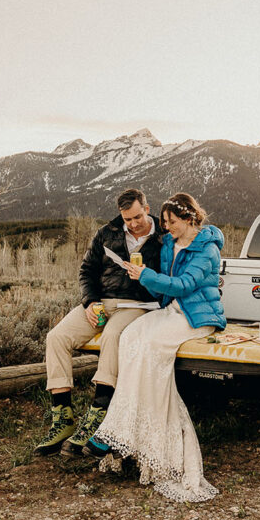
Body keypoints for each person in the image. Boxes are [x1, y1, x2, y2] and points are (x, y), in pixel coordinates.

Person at [84, 192, 226, 503]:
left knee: (149, 346)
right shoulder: (168, 245)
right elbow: (162, 284)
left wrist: (147, 276)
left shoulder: (208, 248)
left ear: (188, 218)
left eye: (171, 222)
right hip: (172, 310)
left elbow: (185, 285)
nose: (167, 228)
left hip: (198, 315)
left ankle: (116, 436)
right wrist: (138, 276)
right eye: (164, 223)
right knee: (131, 336)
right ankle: (123, 432)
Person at [35, 188, 164, 456]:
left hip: (137, 305)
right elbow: (87, 271)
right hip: (101, 302)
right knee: (56, 338)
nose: (133, 224)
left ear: (147, 207)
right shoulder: (107, 233)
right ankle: (63, 419)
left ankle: (98, 417)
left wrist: (147, 280)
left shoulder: (164, 237)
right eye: (127, 219)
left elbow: (169, 280)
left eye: (137, 217)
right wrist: (90, 302)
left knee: (112, 336)